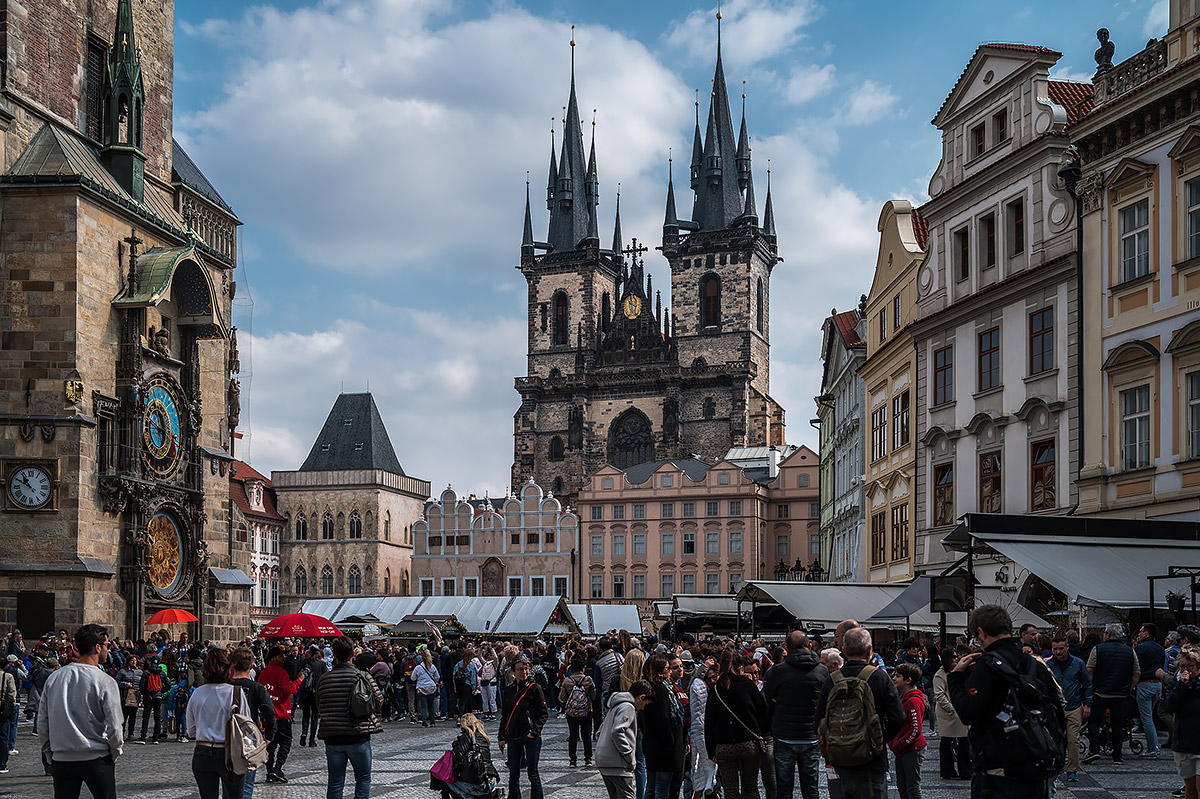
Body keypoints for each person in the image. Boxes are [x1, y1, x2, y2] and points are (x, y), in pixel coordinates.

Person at [948, 604, 1065, 798]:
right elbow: (1057, 712)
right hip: (1035, 764)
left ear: (981, 632)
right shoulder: (1034, 665)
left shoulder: (986, 666)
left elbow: (968, 713)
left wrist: (956, 678)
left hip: (997, 769)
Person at [816, 627, 904, 799]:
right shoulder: (880, 677)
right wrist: (878, 739)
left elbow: (819, 721)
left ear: (843, 650)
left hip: (840, 759)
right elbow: (898, 718)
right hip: (872, 760)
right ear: (870, 650)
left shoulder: (832, 680)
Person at [37, 624, 123, 799]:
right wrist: (115, 751)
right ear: (97, 647)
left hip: (63, 758)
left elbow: (43, 722)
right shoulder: (105, 681)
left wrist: (50, 754)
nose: (108, 650)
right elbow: (115, 726)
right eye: (107, 645)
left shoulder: (54, 678)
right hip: (96, 757)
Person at [764, 630, 828, 799]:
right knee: (811, 788)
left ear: (787, 648)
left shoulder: (778, 671)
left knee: (784, 789)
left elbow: (768, 698)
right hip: (811, 734)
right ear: (810, 645)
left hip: (784, 734)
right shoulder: (822, 671)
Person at [318, 636, 383, 799]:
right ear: (353, 653)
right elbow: (379, 700)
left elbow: (319, 704)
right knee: (363, 779)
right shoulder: (363, 676)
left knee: (335, 782)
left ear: (334, 654)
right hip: (358, 735)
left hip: (333, 737)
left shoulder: (324, 679)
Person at [706, 649, 768, 799]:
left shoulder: (716, 689)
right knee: (751, 787)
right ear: (740, 667)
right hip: (748, 742)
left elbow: (709, 722)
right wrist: (759, 733)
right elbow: (763, 713)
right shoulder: (748, 685)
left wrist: (711, 750)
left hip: (724, 745)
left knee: (730, 791)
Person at [185, 648, 245, 799]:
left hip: (203, 752)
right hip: (229, 753)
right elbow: (245, 727)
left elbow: (191, 732)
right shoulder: (236, 692)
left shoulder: (197, 693)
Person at [1086, 622, 1139, 765]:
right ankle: (1117, 755)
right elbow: (1137, 672)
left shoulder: (1098, 649)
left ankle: (1094, 749)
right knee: (1118, 724)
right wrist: (1129, 687)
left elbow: (1089, 670)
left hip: (1100, 692)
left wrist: (1089, 688)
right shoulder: (1130, 651)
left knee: (1094, 721)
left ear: (1108, 635)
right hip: (1120, 694)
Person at [227, 646, 277, 799]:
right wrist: (269, 736)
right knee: (246, 787)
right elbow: (270, 713)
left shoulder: (224, 686)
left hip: (227, 739)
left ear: (232, 665)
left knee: (228, 788)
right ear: (252, 666)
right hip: (249, 740)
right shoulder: (256, 688)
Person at [498, 655, 547, 799]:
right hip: (514, 736)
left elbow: (543, 713)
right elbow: (505, 715)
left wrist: (534, 732)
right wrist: (501, 736)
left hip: (530, 736)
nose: (523, 672)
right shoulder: (509, 690)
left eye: (526, 669)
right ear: (513, 671)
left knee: (533, 773)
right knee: (513, 775)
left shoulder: (535, 688)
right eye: (520, 669)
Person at [596, 681, 654, 799]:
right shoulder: (628, 707)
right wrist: (629, 755)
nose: (643, 708)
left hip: (604, 760)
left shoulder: (616, 705)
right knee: (627, 796)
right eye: (645, 703)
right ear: (641, 697)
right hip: (618, 764)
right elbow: (617, 731)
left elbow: (600, 731)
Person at [1047, 635, 1092, 781]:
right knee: (1055, 739)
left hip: (1073, 706)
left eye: (1061, 648)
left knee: (1073, 739)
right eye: (1055, 649)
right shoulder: (1047, 665)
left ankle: (1072, 770)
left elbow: (1087, 684)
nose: (1058, 652)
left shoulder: (1078, 663)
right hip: (1054, 708)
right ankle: (1057, 765)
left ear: (1067, 647)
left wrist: (1087, 703)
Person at [641, 653, 686, 799]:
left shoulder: (646, 687)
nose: (670, 672)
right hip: (664, 748)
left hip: (651, 743)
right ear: (660, 671)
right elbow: (663, 719)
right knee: (661, 790)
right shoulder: (660, 689)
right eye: (667, 668)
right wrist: (671, 744)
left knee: (651, 788)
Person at [258, 645, 305, 783]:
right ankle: (277, 768)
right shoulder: (281, 672)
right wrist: (299, 680)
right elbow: (289, 689)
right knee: (286, 741)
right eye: (280, 656)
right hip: (282, 713)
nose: (283, 658)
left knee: (270, 744)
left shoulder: (264, 672)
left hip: (268, 714)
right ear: (273, 657)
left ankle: (269, 771)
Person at [1164, 647, 1200, 799]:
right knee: (1189, 785)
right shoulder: (1176, 684)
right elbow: (1169, 706)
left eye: (1189, 666)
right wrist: (1182, 686)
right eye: (1182, 666)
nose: (1186, 670)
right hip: (1184, 742)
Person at [435, 713, 499, 799]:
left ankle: (467, 797)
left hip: (479, 783)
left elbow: (459, 754)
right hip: (491, 780)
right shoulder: (483, 736)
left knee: (446, 779)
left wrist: (455, 743)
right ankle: (493, 793)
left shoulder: (467, 735)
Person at [888, 663, 927, 799]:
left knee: (912, 787)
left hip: (911, 749)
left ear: (908, 680)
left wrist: (899, 744)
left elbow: (915, 729)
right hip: (903, 749)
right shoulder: (904, 698)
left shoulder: (913, 701)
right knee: (902, 787)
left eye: (898, 676)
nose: (894, 678)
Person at [932, 649, 970, 781]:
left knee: (963, 740)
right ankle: (948, 770)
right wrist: (951, 708)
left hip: (958, 710)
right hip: (947, 713)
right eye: (953, 657)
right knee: (947, 740)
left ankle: (964, 770)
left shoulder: (957, 671)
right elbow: (939, 694)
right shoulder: (939, 675)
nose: (956, 659)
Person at [1135, 622, 1167, 758]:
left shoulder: (1141, 648)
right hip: (1157, 684)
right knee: (1150, 715)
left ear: (1146, 634)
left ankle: (1153, 747)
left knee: (1146, 717)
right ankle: (1154, 745)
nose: (1139, 634)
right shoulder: (1160, 648)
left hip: (1145, 684)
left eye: (1141, 631)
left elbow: (1136, 667)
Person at [558, 654, 596, 768]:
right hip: (587, 711)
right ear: (583, 667)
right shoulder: (588, 680)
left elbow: (562, 698)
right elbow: (593, 696)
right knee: (586, 735)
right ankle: (588, 759)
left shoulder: (567, 681)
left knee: (573, 735)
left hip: (572, 712)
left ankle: (573, 760)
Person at [688, 659, 718, 799]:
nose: (712, 681)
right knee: (703, 766)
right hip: (701, 730)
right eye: (709, 678)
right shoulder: (699, 686)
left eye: (714, 677)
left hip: (706, 731)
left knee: (702, 767)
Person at [299, 646, 328, 747]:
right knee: (315, 717)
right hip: (316, 693)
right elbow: (326, 677)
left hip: (305, 692)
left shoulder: (304, 662)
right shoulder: (321, 664)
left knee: (306, 715)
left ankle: (304, 733)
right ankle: (312, 740)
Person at [413, 648, 441, 728]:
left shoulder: (418, 668)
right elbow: (437, 677)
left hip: (421, 687)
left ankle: (424, 721)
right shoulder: (432, 667)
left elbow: (413, 678)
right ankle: (432, 721)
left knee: (424, 706)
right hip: (431, 687)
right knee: (431, 705)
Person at [473, 645, 498, 721]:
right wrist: (481, 648)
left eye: (491, 655)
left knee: (492, 698)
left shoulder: (494, 663)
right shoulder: (485, 663)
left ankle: (493, 713)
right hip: (483, 682)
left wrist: (491, 649)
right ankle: (486, 713)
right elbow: (479, 656)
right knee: (484, 699)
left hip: (491, 682)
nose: (490, 656)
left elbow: (496, 657)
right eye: (489, 655)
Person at [0, 659, 15, 774]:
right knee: (3, 737)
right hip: (2, 709)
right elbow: (11, 694)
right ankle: (2, 764)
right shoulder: (8, 676)